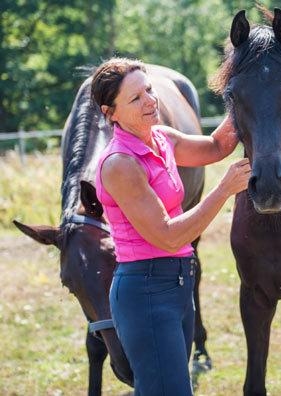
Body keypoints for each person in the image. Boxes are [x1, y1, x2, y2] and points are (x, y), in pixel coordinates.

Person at [91, 57, 250, 395]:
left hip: (178, 284)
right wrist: (223, 189)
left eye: (148, 90)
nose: (150, 101)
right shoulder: (121, 164)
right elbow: (168, 235)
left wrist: (245, 94)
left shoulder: (160, 138)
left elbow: (217, 146)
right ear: (111, 113)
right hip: (146, 292)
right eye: (135, 98)